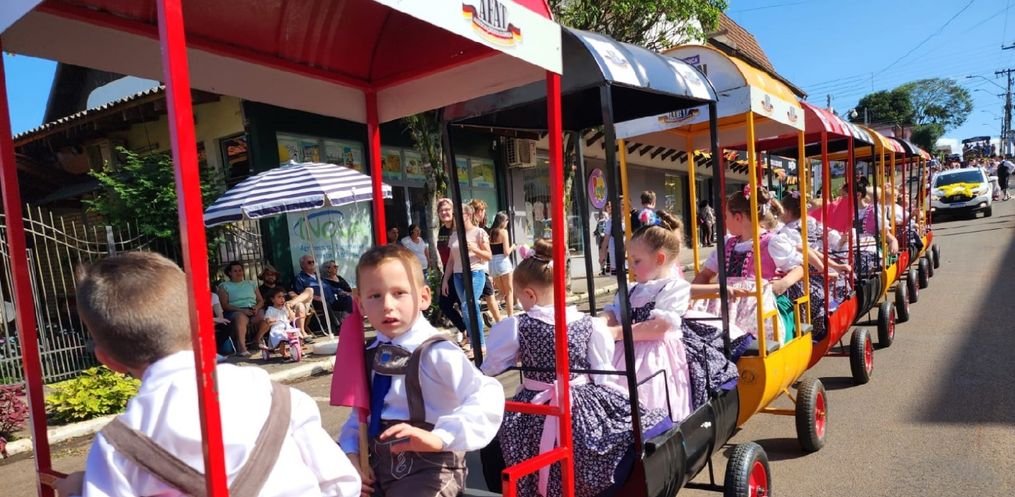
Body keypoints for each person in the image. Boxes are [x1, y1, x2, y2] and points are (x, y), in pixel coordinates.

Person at [55, 252, 360, 497]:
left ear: (108, 360)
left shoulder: (116, 448)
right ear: (202, 321)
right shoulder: (279, 397)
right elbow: (341, 483)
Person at [481, 240, 666, 497]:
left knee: (510, 437)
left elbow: (492, 366)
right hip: (581, 400)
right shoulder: (590, 324)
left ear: (529, 294)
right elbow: (601, 372)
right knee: (597, 440)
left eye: (519, 296)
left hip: (536, 402)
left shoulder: (516, 326)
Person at [339, 245, 503, 497]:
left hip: (431, 467)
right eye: (375, 296)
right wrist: (351, 454)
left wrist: (440, 437)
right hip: (376, 463)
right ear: (360, 304)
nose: (387, 305)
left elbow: (486, 394)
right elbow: (359, 417)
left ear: (424, 297)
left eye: (399, 293)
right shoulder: (368, 352)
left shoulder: (436, 351)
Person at [603, 212, 740, 421]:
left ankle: (660, 427)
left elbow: (660, 327)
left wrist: (615, 333)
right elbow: (614, 313)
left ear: (659, 259)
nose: (631, 266)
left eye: (636, 261)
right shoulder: (631, 290)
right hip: (625, 350)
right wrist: (598, 323)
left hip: (656, 355)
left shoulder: (673, 288)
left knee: (651, 394)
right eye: (631, 260)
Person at [692, 186, 805, 346]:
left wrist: (783, 283)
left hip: (755, 303)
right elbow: (705, 274)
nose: (725, 221)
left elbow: (799, 268)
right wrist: (692, 295)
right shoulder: (726, 243)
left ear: (738, 218)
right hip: (724, 303)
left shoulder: (771, 242)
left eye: (726, 217)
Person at [442, 203, 492, 354]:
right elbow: (451, 260)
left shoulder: (479, 232)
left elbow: (488, 256)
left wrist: (474, 249)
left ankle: (480, 344)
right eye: (455, 215)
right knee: (466, 309)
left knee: (468, 305)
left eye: (459, 214)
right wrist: (445, 280)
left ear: (468, 215)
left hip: (475, 272)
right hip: (458, 275)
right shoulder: (454, 235)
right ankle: (473, 343)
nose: (455, 217)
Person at [435, 198, 469, 343]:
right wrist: (445, 278)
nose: (444, 212)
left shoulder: (459, 228)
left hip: (461, 271)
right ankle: (465, 330)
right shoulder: (442, 230)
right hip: (449, 271)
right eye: (441, 210)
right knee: (444, 304)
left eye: (447, 209)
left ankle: (471, 338)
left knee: (464, 305)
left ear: (453, 211)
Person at [258, 264, 315, 343]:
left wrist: (293, 301)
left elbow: (293, 295)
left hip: (289, 307)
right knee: (300, 305)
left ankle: (302, 331)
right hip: (275, 312)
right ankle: (301, 332)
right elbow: (262, 303)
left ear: (276, 276)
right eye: (267, 274)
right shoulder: (260, 289)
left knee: (309, 290)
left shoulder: (283, 286)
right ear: (263, 277)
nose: (270, 276)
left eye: (273, 274)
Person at [217, 261, 264, 356]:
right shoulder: (224, 286)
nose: (239, 273)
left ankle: (257, 340)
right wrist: (242, 310)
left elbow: (260, 300)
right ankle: (242, 347)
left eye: (240, 270)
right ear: (230, 273)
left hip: (252, 309)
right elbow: (224, 305)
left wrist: (257, 308)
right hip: (235, 311)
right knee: (240, 317)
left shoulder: (251, 283)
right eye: (235, 271)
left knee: (265, 314)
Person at [469, 199, 503, 324]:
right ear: (478, 212)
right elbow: (487, 254)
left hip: (478, 268)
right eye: (483, 211)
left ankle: (493, 321)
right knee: (487, 296)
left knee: (486, 295)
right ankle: (498, 322)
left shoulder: (474, 229)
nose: (484, 214)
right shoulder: (478, 231)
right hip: (479, 268)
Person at [488, 211, 516, 318]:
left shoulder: (490, 232)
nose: (507, 222)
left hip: (492, 264)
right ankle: (510, 316)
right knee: (509, 291)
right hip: (503, 263)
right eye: (507, 220)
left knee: (502, 292)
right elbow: (506, 252)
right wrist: (513, 246)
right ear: (503, 221)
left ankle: (489, 312)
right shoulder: (503, 232)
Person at [258, 287, 297, 361]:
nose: (282, 299)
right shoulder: (270, 309)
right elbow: (267, 319)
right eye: (279, 297)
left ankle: (298, 349)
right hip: (277, 329)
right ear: (272, 299)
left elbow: (292, 317)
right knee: (281, 338)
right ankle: (284, 353)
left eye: (283, 297)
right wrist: (271, 319)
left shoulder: (285, 308)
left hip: (287, 328)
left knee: (297, 334)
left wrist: (288, 308)